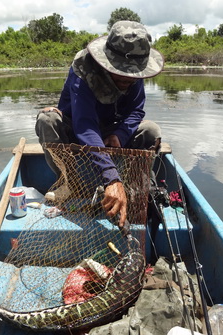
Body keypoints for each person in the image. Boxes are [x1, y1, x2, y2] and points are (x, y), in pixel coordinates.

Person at [35, 20, 164, 227]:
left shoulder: (135, 72)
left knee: (151, 130)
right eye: (121, 72)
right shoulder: (83, 69)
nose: (127, 78)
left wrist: (120, 134)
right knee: (47, 119)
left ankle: (135, 190)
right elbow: (84, 125)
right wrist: (111, 178)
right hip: (78, 132)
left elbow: (136, 110)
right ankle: (70, 186)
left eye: (131, 74)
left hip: (111, 131)